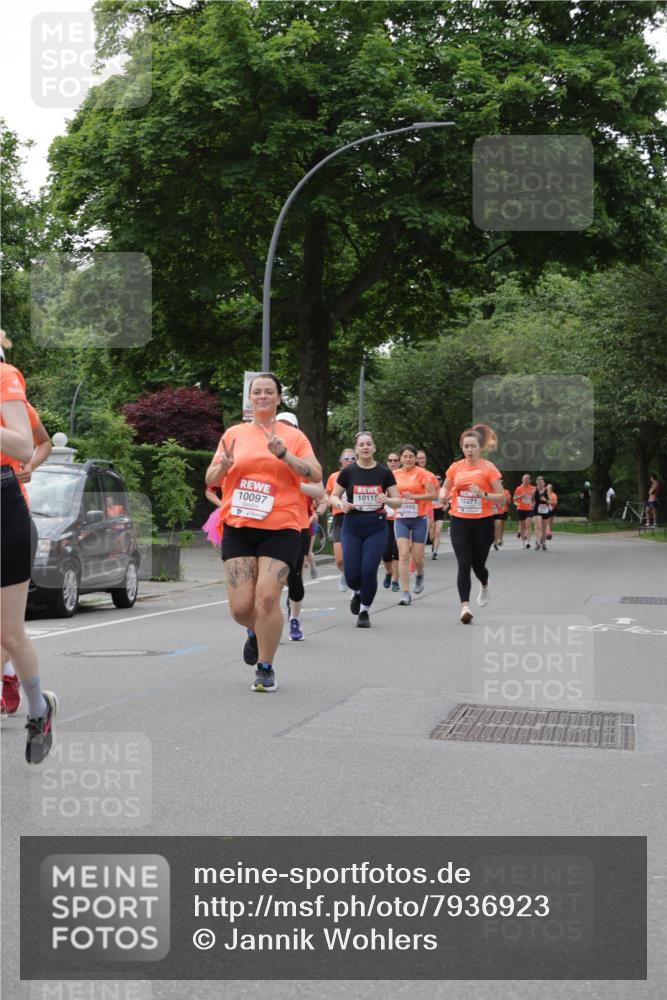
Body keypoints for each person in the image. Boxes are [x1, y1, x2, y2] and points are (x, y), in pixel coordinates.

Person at [205, 374, 322, 693]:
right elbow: (211, 477)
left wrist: (285, 455)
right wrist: (224, 466)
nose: (262, 397)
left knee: (268, 597)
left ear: (278, 398)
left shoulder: (293, 437)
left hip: (281, 526)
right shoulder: (234, 433)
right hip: (240, 527)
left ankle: (266, 667)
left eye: (269, 392)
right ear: (250, 398)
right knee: (241, 608)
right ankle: (256, 631)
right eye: (257, 392)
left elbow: (315, 473)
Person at [0, 332, 58, 761]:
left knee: (8, 632)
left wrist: (30, 468)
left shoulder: (4, 377)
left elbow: (26, 444)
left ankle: (39, 709)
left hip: (3, 506)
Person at [1, 397, 52, 718]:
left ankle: (10, 677)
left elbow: (42, 442)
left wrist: (31, 464)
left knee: (7, 624)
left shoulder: (14, 401)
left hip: (9, 508)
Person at [331, 431, 399, 627]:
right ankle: (357, 592)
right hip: (352, 525)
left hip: (376, 526)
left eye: (369, 444)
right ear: (356, 449)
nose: (365, 447)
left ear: (374, 447)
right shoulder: (348, 472)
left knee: (369, 570)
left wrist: (388, 499)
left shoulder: (384, 472)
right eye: (362, 444)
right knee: (352, 574)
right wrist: (340, 504)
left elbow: (398, 501)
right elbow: (334, 496)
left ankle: (364, 611)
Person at [440, 424, 504, 624]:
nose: (469, 450)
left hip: (483, 522)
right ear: (462, 447)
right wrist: (442, 496)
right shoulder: (455, 467)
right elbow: (445, 488)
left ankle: (484, 583)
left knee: (478, 565)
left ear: (480, 448)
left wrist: (483, 494)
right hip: (459, 520)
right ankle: (465, 607)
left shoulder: (489, 468)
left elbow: (501, 498)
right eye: (466, 446)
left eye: (473, 446)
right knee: (463, 563)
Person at [276, 412, 324, 642]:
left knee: (294, 578)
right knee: (269, 576)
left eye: (289, 427)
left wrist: (297, 487)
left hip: (298, 525)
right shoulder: (264, 459)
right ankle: (263, 620)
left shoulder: (304, 461)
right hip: (270, 527)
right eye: (280, 426)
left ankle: (294, 618)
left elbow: (319, 491)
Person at [392, 444, 437, 606]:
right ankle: (405, 592)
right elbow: (387, 492)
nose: (408, 459)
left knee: (417, 557)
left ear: (415, 458)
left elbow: (433, 495)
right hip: (401, 518)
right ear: (401, 458)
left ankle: (419, 574)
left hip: (419, 519)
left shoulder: (423, 474)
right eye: (405, 456)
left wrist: (415, 497)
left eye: (411, 456)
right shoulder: (394, 474)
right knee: (403, 554)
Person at [319, 447, 356, 593]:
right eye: (346, 459)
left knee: (353, 554)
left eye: (353, 458)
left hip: (356, 517)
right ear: (341, 461)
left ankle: (355, 584)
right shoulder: (334, 477)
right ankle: (343, 573)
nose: (350, 461)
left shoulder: (363, 475)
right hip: (340, 517)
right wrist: (329, 501)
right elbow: (326, 494)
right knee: (340, 559)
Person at [416, 449, 444, 559]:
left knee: (427, 533)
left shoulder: (430, 475)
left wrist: (442, 499)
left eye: (423, 458)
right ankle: (415, 555)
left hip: (428, 508)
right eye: (419, 458)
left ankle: (422, 555)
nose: (421, 460)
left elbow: (437, 492)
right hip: (413, 508)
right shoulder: (409, 473)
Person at [381, 452, 401, 592]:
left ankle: (395, 580)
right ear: (387, 462)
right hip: (385, 519)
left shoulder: (402, 476)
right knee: (386, 553)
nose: (393, 462)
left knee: (397, 551)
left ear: (399, 462)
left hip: (401, 518)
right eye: (390, 460)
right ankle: (388, 572)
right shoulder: (382, 476)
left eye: (395, 460)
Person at [513, 474, 536, 548]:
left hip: (529, 509)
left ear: (530, 480)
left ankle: (528, 542)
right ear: (522, 480)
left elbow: (535, 499)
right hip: (521, 508)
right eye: (525, 479)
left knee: (528, 524)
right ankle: (523, 541)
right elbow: (514, 499)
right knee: (523, 526)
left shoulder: (533, 488)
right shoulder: (519, 488)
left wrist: (534, 504)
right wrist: (521, 496)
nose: (526, 480)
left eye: (527, 479)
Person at [533, 476, 555, 550]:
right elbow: (531, 499)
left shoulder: (546, 490)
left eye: (542, 482)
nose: (540, 483)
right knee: (538, 526)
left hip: (545, 509)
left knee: (544, 527)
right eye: (539, 482)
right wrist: (532, 504)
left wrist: (545, 500)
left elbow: (550, 502)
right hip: (537, 509)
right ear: (537, 483)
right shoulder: (535, 489)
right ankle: (538, 543)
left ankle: (544, 543)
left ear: (544, 483)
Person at [492, 485, 511, 550]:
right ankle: (493, 539)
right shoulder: (489, 490)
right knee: (491, 527)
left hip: (500, 511)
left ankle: (497, 542)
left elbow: (507, 502)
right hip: (490, 511)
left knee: (499, 525)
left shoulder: (504, 492)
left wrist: (502, 503)